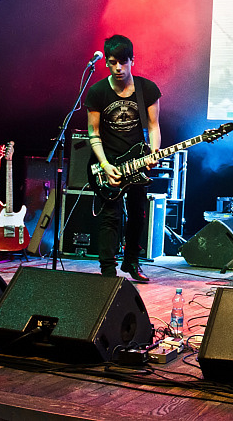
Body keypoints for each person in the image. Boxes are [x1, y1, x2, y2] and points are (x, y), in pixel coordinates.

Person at [85, 34, 161, 282]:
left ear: (132, 61)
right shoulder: (97, 92)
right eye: (113, 62)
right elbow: (93, 133)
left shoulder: (147, 89)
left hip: (137, 162)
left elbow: (153, 127)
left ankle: (131, 262)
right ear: (106, 62)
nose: (118, 68)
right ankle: (108, 271)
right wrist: (105, 165)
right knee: (110, 217)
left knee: (138, 214)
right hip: (107, 164)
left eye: (123, 62)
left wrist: (153, 152)